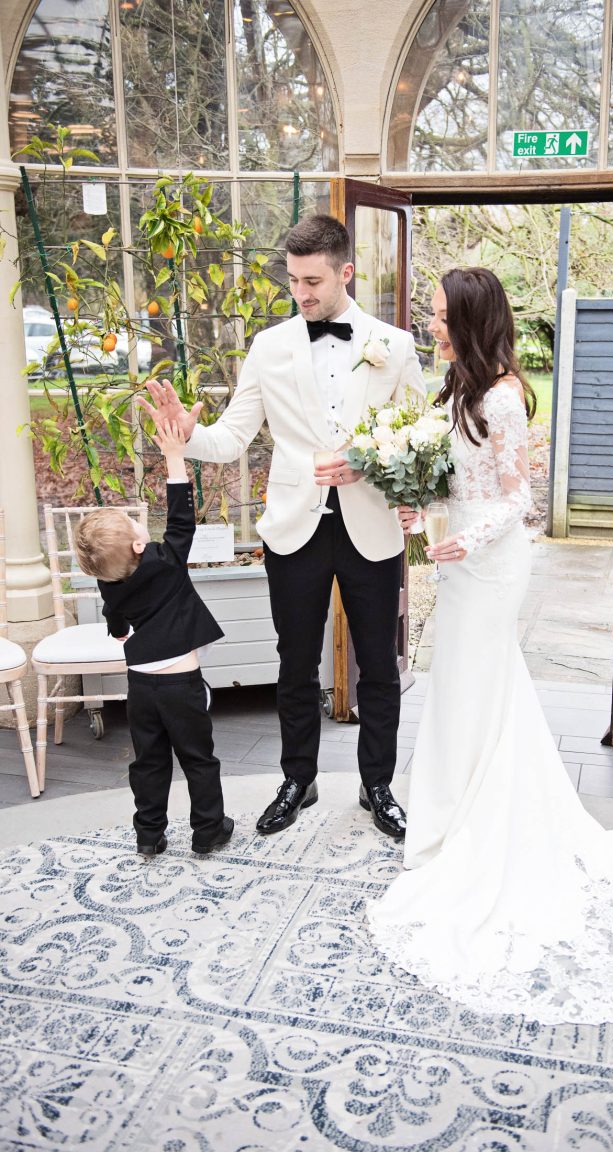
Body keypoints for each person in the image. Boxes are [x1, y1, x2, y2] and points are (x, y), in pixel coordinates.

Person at [366, 267, 613, 1025]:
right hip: (461, 556)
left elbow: (516, 498)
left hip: (494, 563)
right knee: (464, 683)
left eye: (443, 315)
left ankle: (484, 823)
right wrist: (427, 511)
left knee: (477, 679)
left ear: (475, 319)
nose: (433, 325)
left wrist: (467, 537)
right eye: (432, 314)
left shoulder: (507, 396)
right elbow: (463, 479)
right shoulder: (456, 387)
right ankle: (453, 812)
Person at [137, 214, 425, 839]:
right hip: (294, 529)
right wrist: (190, 435)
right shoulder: (268, 347)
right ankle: (299, 778)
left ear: (346, 272)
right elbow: (234, 436)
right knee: (295, 662)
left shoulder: (394, 346)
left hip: (371, 527)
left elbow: (421, 442)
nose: (302, 293)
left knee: (379, 663)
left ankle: (379, 785)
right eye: (294, 280)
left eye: (314, 280)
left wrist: (383, 474)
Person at [75, 421, 234, 858]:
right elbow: (182, 519)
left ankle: (149, 834)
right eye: (134, 525)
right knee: (199, 759)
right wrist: (174, 457)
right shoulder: (165, 562)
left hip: (140, 686)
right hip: (181, 685)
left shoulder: (111, 584)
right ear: (141, 545)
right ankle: (208, 830)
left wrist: (119, 629)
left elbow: (116, 622)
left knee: (149, 762)